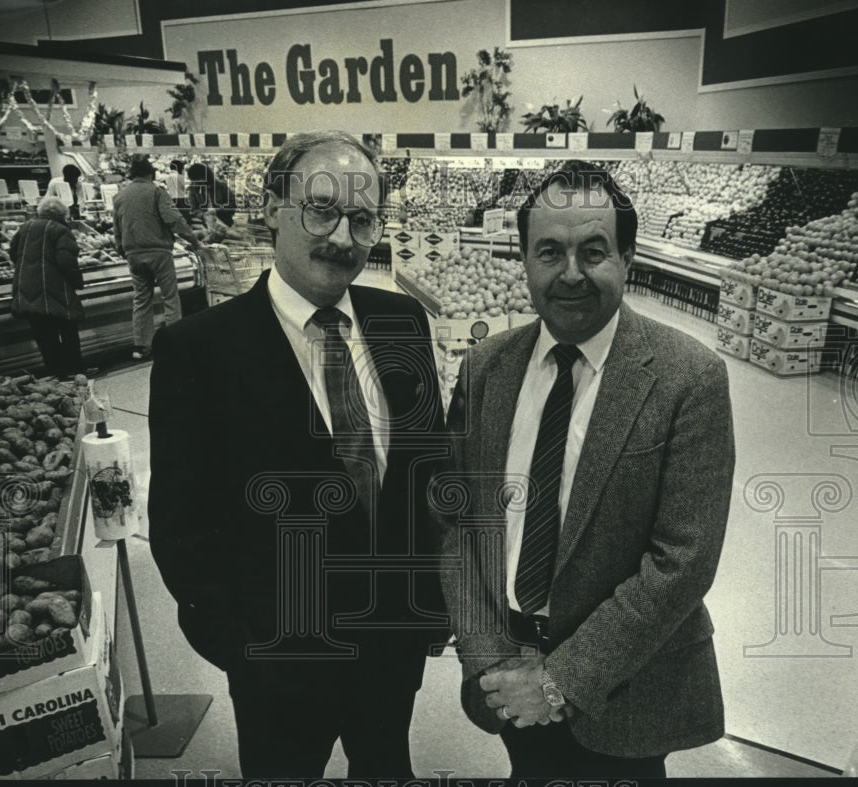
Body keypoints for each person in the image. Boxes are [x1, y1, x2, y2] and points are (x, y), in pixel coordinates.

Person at [148, 131, 447, 777]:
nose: (342, 236)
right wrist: (243, 646)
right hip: (276, 665)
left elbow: (428, 470)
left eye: (362, 219)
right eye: (320, 209)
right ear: (272, 208)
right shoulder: (198, 350)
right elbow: (180, 526)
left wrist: (431, 604)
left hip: (392, 651)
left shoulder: (402, 321)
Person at [438, 162, 736, 778]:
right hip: (506, 672)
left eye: (593, 251)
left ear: (627, 258)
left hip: (626, 691)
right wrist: (487, 657)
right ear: (523, 259)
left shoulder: (689, 378)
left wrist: (559, 681)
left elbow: (683, 561)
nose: (570, 274)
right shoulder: (486, 368)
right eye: (549, 251)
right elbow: (457, 522)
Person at [112, 156, 200, 361]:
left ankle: (141, 346)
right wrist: (192, 239)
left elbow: (117, 229)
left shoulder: (119, 197)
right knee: (170, 297)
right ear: (150, 174)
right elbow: (173, 219)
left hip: (133, 254)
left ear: (132, 175)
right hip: (158, 252)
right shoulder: (156, 192)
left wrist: (123, 250)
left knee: (141, 299)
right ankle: (175, 343)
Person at [9, 196, 85, 379]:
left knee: (43, 333)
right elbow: (65, 261)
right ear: (62, 215)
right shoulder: (60, 230)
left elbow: (13, 254)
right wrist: (77, 281)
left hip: (26, 289)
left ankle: (55, 371)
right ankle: (73, 370)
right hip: (54, 288)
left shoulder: (25, 228)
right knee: (68, 329)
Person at [186, 161, 237, 228]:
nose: (195, 183)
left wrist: (217, 210)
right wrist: (203, 215)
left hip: (225, 223)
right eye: (194, 181)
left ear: (206, 177)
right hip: (205, 225)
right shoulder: (193, 188)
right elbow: (193, 209)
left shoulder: (221, 186)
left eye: (198, 180)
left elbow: (232, 205)